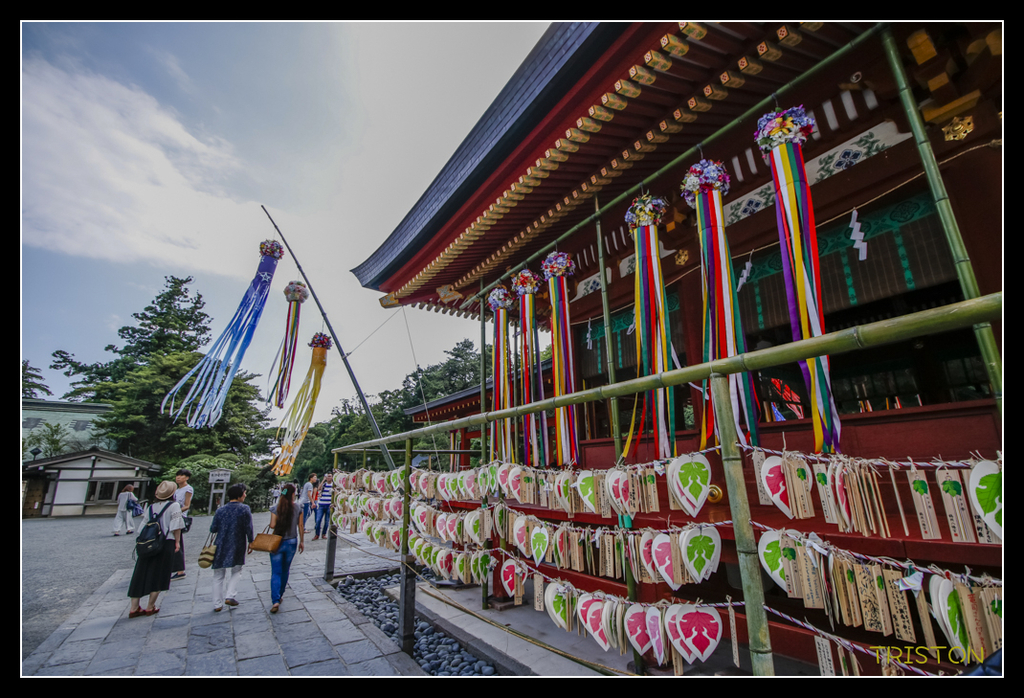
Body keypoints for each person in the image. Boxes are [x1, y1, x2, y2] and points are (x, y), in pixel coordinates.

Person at [127, 480, 184, 618]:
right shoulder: (174, 505)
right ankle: (150, 606)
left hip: (148, 542)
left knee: (140, 573)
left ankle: (134, 607)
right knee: (160, 573)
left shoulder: (151, 507)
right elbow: (176, 526)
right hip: (165, 542)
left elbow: (142, 527)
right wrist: (177, 542)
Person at [208, 483, 254, 612]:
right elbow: (248, 527)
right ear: (239, 495)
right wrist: (251, 541)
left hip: (220, 543)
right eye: (244, 493)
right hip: (237, 542)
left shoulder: (220, 510)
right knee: (237, 570)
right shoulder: (244, 509)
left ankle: (217, 604)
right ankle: (230, 595)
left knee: (218, 574)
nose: (245, 495)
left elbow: (213, 528)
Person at [265, 482, 304, 613]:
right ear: (293, 494)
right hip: (292, 541)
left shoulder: (275, 508)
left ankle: (275, 600)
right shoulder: (298, 507)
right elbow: (300, 526)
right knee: (285, 570)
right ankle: (280, 594)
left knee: (275, 572)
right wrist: (302, 541)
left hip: (277, 541)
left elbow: (272, 525)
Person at [170, 469, 193, 581]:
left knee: (178, 542)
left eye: (181, 475)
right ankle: (173, 567)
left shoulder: (188, 489)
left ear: (187, 478)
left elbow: (187, 505)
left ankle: (180, 570)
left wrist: (175, 511)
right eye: (177, 475)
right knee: (172, 541)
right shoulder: (175, 489)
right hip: (172, 516)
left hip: (179, 516)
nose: (178, 477)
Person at [312, 472, 333, 541]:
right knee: (318, 520)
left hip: (328, 505)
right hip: (321, 504)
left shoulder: (333, 486)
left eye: (330, 476)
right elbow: (319, 489)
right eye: (327, 476)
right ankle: (317, 534)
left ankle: (324, 534)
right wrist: (323, 480)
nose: (328, 477)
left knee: (326, 521)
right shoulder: (324, 484)